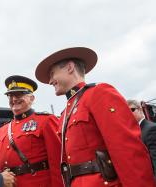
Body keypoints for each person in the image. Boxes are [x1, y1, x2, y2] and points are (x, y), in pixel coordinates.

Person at [35, 47, 156, 187]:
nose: (50, 81)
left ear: (69, 67)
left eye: (52, 74)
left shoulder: (99, 93)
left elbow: (128, 151)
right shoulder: (65, 113)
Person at [0, 75, 63, 187]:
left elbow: (58, 161)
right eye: (10, 95)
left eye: (19, 94)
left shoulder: (46, 121)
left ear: (32, 98)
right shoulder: (2, 130)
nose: (13, 99)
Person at [127, 99, 156, 179]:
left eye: (132, 110)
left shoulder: (151, 129)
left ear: (140, 109)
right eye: (126, 112)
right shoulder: (135, 131)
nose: (129, 114)